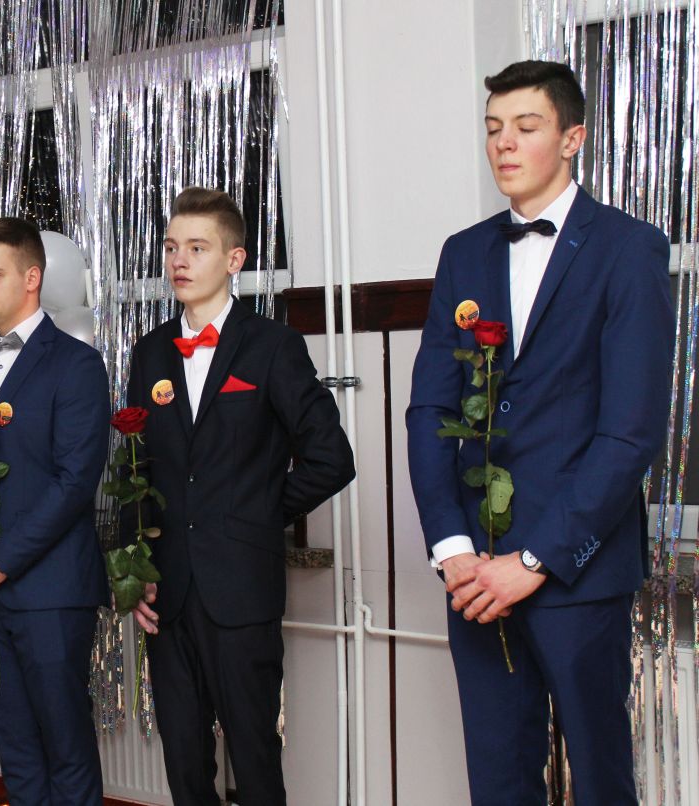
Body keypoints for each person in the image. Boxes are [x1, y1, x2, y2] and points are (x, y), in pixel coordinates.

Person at [406, 60, 672, 805]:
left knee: (600, 781)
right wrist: (454, 550)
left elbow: (630, 434)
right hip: (473, 575)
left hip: (579, 570)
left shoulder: (629, 248)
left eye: (525, 127)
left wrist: (535, 559)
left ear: (572, 138)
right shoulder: (464, 251)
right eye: (493, 128)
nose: (504, 144)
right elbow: (429, 410)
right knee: (498, 780)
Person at [125, 188, 355, 804]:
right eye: (171, 247)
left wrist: (254, 514)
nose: (179, 260)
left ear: (234, 260)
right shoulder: (149, 352)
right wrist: (134, 572)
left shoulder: (272, 345)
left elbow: (333, 459)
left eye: (197, 248)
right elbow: (135, 469)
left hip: (242, 589)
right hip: (168, 593)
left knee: (255, 761)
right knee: (183, 762)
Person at [0, 218, 109, 805]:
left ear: (32, 278)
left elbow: (74, 482)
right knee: (15, 748)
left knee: (66, 745)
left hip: (49, 588)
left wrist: (1, 559)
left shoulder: (77, 364)